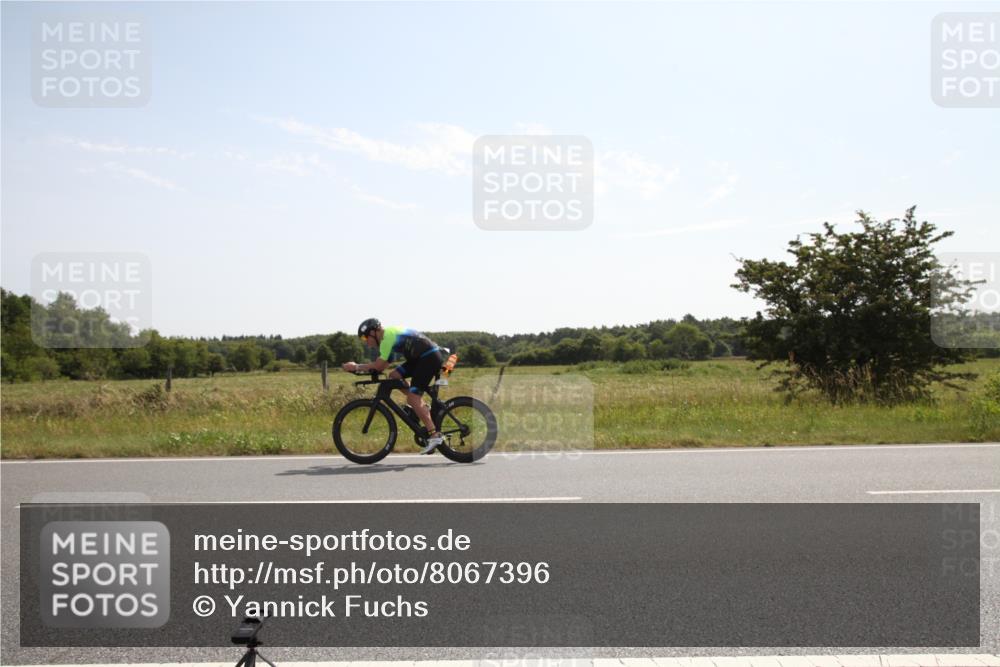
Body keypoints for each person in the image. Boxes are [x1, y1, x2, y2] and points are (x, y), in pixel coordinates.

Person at [342, 318, 446, 454]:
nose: (367, 343)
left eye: (365, 338)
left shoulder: (387, 338)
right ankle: (423, 407)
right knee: (394, 376)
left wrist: (356, 366)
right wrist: (361, 368)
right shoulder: (387, 337)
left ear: (374, 332)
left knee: (413, 399)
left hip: (428, 357)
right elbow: (383, 366)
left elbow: (378, 366)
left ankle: (434, 435)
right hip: (421, 357)